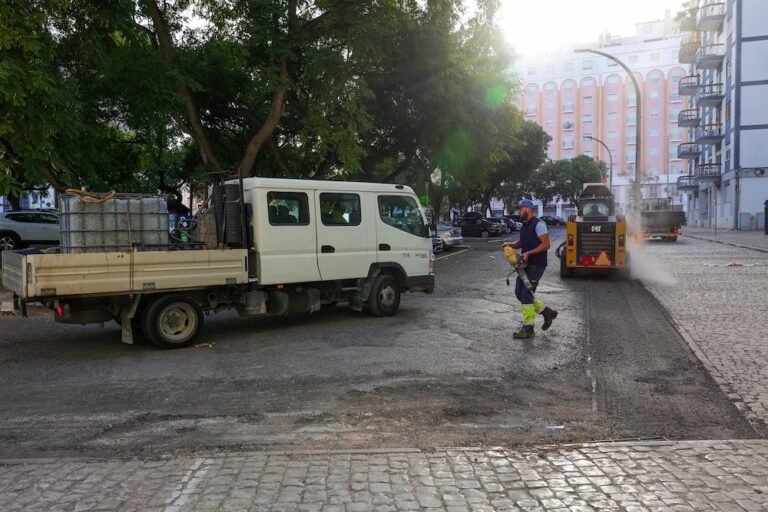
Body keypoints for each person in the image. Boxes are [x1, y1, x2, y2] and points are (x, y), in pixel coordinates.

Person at [506, 199, 558, 339]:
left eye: (520, 209)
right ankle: (547, 312)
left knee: (526, 295)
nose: (518, 211)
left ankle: (528, 328)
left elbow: (546, 244)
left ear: (528, 209)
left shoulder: (539, 224)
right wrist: (510, 245)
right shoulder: (525, 225)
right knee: (519, 293)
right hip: (525, 266)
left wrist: (529, 253)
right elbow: (521, 243)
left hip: (536, 265)